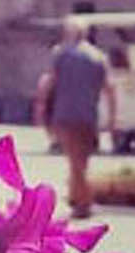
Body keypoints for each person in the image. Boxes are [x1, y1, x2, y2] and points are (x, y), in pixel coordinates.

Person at [42, 16, 116, 218]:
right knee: (81, 161)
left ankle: (83, 202)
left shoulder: (60, 54)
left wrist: (42, 113)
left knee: (75, 162)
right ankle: (78, 199)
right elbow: (110, 89)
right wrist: (112, 117)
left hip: (65, 115)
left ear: (68, 33)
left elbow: (49, 85)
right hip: (88, 115)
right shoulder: (99, 57)